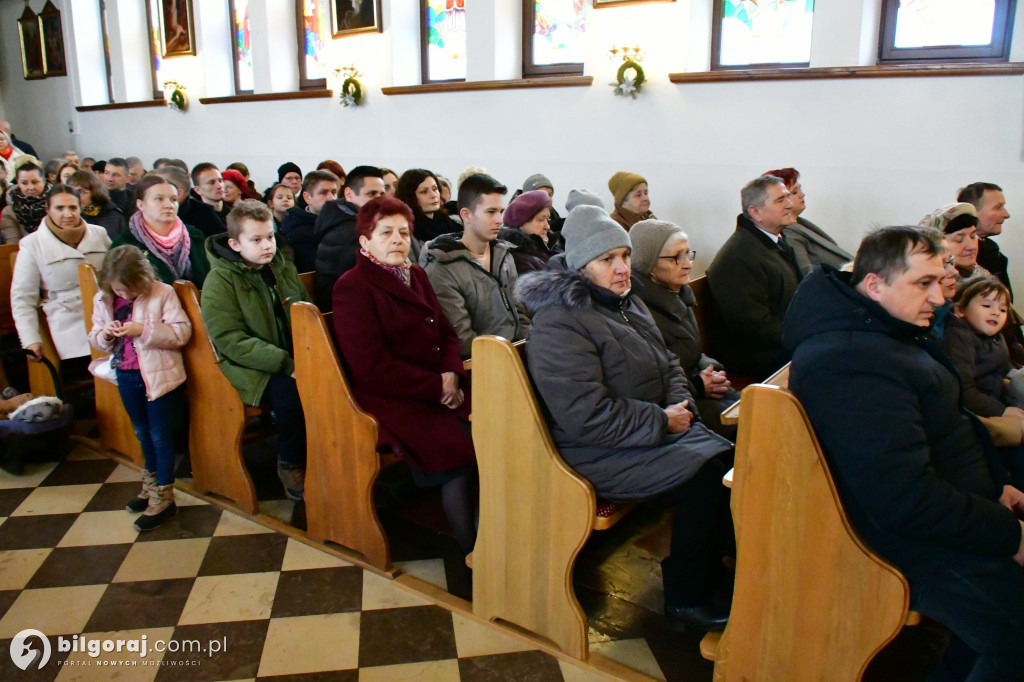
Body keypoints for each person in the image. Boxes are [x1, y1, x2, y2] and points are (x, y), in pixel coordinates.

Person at [784, 225, 1024, 681]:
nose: (938, 297)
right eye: (923, 283)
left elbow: (947, 424)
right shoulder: (850, 359)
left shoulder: (882, 329)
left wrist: (997, 486)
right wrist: (1008, 534)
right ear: (874, 284)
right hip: (907, 544)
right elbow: (903, 500)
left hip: (945, 516)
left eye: (940, 279)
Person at [515, 205, 735, 631]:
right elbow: (585, 416)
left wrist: (681, 406)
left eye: (626, 256)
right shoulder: (559, 324)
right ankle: (686, 597)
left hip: (645, 430)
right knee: (707, 478)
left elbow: (669, 363)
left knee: (728, 461)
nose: (622, 269)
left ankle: (713, 566)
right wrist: (660, 420)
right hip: (596, 450)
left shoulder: (625, 302)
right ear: (580, 266)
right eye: (607, 260)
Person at [332, 196, 476, 554]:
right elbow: (372, 367)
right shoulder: (352, 287)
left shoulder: (416, 275)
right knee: (456, 454)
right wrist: (436, 386)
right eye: (386, 232)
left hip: (436, 384)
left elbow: (446, 332)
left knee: (496, 431)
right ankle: (473, 551)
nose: (397, 239)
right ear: (365, 241)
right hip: (392, 396)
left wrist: (452, 373)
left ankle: (501, 532)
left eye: (403, 231)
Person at [201, 200, 310, 501]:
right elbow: (229, 339)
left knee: (330, 383)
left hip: (290, 357)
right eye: (256, 240)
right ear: (235, 243)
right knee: (291, 397)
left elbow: (304, 312)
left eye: (270, 237)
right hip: (249, 366)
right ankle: (289, 461)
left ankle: (326, 454)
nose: (267, 246)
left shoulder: (282, 267)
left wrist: (312, 353)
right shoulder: (220, 279)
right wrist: (285, 362)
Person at [88, 245, 190, 531]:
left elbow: (182, 332)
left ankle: (165, 496)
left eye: (127, 290)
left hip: (159, 377)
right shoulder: (104, 298)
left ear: (142, 280)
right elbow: (95, 335)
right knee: (141, 431)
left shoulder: (162, 293)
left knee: (160, 435)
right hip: (126, 375)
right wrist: (105, 335)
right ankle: (152, 482)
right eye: (117, 289)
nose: (122, 295)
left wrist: (142, 330)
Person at [630, 219, 739, 439]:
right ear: (648, 264)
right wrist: (698, 384)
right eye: (675, 257)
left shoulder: (679, 295)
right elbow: (650, 381)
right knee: (752, 423)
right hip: (678, 404)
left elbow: (693, 352)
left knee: (763, 407)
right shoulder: (639, 311)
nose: (687, 263)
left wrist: (710, 369)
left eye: (688, 253)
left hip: (697, 386)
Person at [420, 174, 528, 359]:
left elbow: (521, 313)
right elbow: (462, 341)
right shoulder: (442, 268)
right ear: (466, 215)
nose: (499, 220)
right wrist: (510, 359)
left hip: (517, 355)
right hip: (483, 367)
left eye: (501, 211)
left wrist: (529, 346)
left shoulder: (504, 255)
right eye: (490, 212)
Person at [706, 174, 801, 380]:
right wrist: (805, 332)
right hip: (756, 357)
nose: (789, 204)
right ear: (755, 213)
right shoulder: (738, 257)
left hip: (783, 341)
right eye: (780, 200)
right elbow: (755, 327)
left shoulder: (775, 241)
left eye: (788, 197)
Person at [11, 185, 110, 367]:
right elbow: (22, 299)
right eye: (59, 208)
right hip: (67, 321)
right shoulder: (32, 244)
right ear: (48, 210)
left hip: (106, 315)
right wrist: (30, 339)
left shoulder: (99, 234)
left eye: (73, 207)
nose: (68, 214)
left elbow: (116, 273)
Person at [941, 276, 1024, 420]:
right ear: (960, 310)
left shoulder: (996, 337)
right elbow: (963, 390)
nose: (996, 312)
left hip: (1000, 399)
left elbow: (1005, 368)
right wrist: (1002, 411)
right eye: (986, 306)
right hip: (976, 412)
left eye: (1003, 309)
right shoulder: (958, 337)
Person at [110, 175, 209, 286]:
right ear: (141, 205)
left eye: (173, 199)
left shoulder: (195, 237)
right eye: (159, 199)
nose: (169, 205)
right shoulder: (125, 244)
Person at [313, 165, 385, 311]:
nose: (379, 201)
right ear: (349, 194)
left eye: (381, 195)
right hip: (347, 313)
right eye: (371, 194)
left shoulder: (358, 224)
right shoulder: (348, 232)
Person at [765, 167, 852, 276]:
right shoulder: (788, 233)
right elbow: (808, 274)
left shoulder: (800, 224)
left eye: (800, 189)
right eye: (795, 192)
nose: (802, 194)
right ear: (780, 199)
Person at [280, 169, 339, 272]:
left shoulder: (342, 221)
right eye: (323, 192)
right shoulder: (298, 231)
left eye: (334, 192)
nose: (332, 198)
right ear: (307, 198)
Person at [959, 182, 1013, 294]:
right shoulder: (958, 257)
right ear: (972, 211)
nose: (1006, 214)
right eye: (998, 207)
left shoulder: (994, 253)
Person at [497, 189, 561, 275]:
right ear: (521, 223)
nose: (548, 226)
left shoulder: (552, 246)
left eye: (548, 219)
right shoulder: (518, 259)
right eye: (540, 220)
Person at [151, 165, 224, 239]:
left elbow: (221, 244)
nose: (152, 192)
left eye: (158, 188)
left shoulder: (205, 214)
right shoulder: (150, 212)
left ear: (178, 194)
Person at [919, 202, 982, 280]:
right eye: (959, 240)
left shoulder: (981, 274)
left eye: (973, 236)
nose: (971, 246)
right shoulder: (944, 286)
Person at [396, 169, 461, 242]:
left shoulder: (452, 224)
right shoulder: (407, 231)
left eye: (435, 189)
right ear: (410, 197)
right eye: (424, 192)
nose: (433, 195)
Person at [67, 169, 127, 240]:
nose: (76, 196)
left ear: (94, 192)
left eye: (82, 192)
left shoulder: (113, 214)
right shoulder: (67, 215)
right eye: (72, 192)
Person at [1, 161, 50, 243]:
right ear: (18, 183)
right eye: (24, 183)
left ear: (44, 181)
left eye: (35, 182)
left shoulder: (57, 205)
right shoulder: (9, 212)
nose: (30, 187)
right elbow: (12, 244)